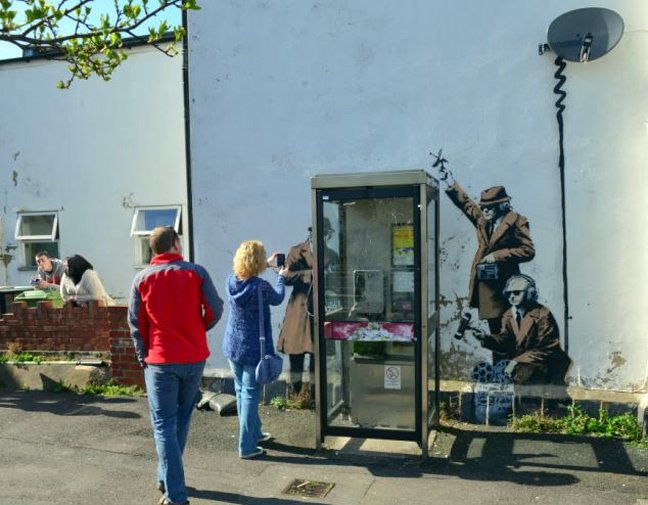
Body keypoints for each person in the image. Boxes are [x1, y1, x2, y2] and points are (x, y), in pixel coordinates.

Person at [128, 226, 223, 505]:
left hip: (160, 360)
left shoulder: (142, 279)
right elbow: (215, 309)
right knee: (180, 419)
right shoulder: (196, 272)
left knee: (164, 424)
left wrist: (142, 356)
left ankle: (176, 495)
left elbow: (136, 324)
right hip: (193, 357)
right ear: (176, 244)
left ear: (154, 249)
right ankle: (166, 479)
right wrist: (199, 329)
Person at [438, 164, 535, 362]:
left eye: (489, 207)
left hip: (508, 291)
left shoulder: (517, 221)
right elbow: (467, 205)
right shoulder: (484, 221)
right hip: (488, 293)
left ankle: (511, 374)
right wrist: (449, 180)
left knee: (510, 337)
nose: (484, 210)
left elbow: (528, 250)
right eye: (483, 207)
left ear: (502, 205)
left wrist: (498, 255)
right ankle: (501, 374)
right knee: (496, 339)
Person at [222, 240, 288, 459]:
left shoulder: (231, 281)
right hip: (253, 350)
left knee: (241, 391)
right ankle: (247, 447)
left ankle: (255, 433)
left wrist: (267, 264)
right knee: (250, 395)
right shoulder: (260, 287)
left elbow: (247, 274)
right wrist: (281, 276)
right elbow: (278, 297)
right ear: (257, 262)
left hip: (233, 346)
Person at [471, 274, 571, 384]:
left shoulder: (543, 315)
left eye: (517, 292)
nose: (512, 297)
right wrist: (485, 338)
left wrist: (516, 362)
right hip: (523, 369)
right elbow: (505, 342)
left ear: (530, 293)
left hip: (547, 369)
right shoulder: (508, 315)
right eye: (508, 294)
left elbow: (546, 348)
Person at [277, 234, 315, 400]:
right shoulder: (297, 251)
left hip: (319, 310)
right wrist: (309, 274)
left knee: (317, 355)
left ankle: (315, 395)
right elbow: (286, 276)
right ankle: (296, 393)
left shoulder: (330, 253)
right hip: (299, 311)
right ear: (311, 236)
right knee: (296, 353)